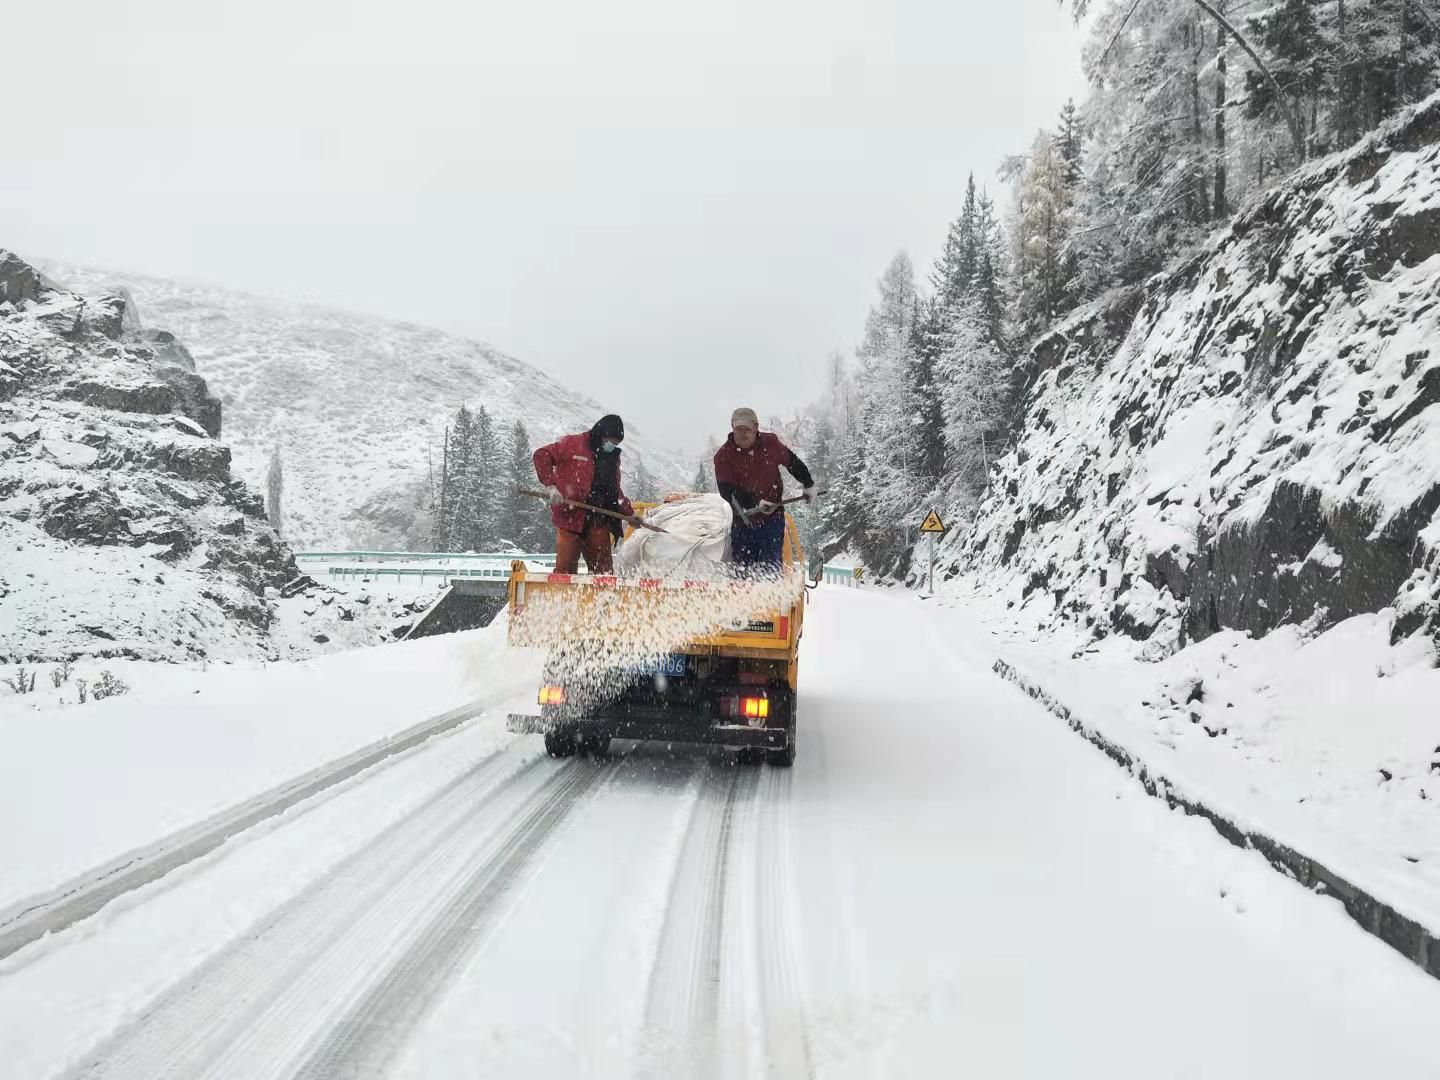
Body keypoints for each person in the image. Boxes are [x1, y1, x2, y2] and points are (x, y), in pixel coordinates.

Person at [712, 407, 818, 567]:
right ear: (732, 428)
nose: (744, 433)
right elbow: (727, 491)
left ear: (756, 428)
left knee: (770, 568)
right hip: (743, 523)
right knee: (744, 572)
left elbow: (792, 462)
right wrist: (754, 504)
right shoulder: (723, 456)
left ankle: (770, 589)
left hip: (772, 520)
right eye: (739, 429)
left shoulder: (771, 444)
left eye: (747, 429)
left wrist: (808, 483)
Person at [533, 414, 638, 574]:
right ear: (601, 433)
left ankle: (602, 599)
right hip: (570, 519)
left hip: (598, 521)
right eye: (611, 440)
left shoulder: (611, 458)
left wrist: (630, 514)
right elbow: (542, 455)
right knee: (565, 573)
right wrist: (551, 486)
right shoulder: (572, 444)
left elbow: (615, 491)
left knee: (604, 575)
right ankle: (561, 598)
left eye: (616, 443)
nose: (612, 445)